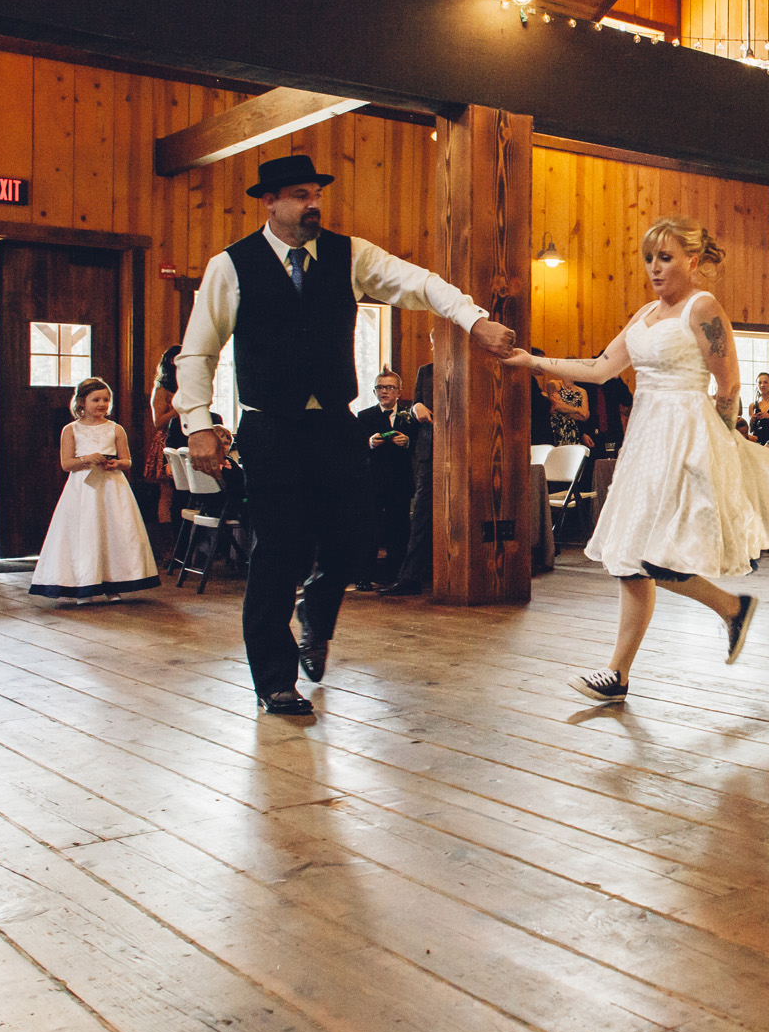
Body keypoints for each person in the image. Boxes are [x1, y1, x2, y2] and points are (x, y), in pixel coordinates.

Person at [177, 154, 515, 716]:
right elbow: (198, 350)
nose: (312, 205)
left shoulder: (348, 254)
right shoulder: (231, 265)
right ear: (271, 202)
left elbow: (419, 283)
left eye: (316, 194)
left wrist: (472, 319)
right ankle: (275, 679)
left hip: (334, 421)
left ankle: (316, 612)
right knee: (278, 549)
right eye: (300, 196)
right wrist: (198, 423)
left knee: (355, 538)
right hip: (268, 425)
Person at [502, 218, 769, 704]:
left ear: (691, 259)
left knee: (654, 555)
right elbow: (601, 368)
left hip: (687, 436)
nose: (655, 269)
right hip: (645, 439)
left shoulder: (701, 307)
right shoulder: (645, 312)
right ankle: (620, 673)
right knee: (628, 559)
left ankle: (731, 607)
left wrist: (722, 444)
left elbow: (728, 385)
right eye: (649, 259)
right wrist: (533, 362)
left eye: (665, 258)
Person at [30, 377, 161, 602]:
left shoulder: (115, 429)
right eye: (96, 400)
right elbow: (67, 464)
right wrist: (87, 459)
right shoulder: (71, 430)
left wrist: (116, 463)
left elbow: (127, 460)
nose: (102, 404)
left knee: (113, 532)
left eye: (106, 400)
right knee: (86, 532)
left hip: (112, 487)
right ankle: (84, 585)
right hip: (83, 489)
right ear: (82, 402)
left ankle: (114, 584)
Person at [379, 350, 437, 597]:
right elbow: (414, 406)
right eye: (433, 343)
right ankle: (410, 577)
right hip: (429, 451)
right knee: (421, 517)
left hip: (463, 448)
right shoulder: (426, 371)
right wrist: (417, 407)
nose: (434, 348)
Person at [355, 370, 416, 589]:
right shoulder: (364, 416)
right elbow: (354, 448)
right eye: (380, 387)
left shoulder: (409, 416)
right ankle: (364, 575)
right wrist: (369, 443)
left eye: (389, 387)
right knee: (368, 527)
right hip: (372, 481)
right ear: (373, 391)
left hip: (399, 481)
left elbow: (421, 443)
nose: (384, 392)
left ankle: (395, 575)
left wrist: (408, 441)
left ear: (399, 392)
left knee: (398, 528)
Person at [147, 344, 183, 540]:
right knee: (168, 493)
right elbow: (158, 422)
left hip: (187, 439)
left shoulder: (187, 385)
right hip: (167, 442)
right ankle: (169, 545)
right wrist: (178, 408)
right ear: (172, 361)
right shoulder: (162, 389)